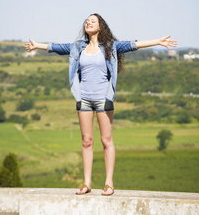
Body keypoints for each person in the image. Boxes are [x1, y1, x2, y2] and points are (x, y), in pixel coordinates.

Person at [25, 13, 177, 195]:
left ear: (100, 26)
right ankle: (87, 183)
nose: (88, 23)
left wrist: (158, 41)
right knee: (86, 141)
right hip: (84, 100)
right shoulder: (77, 47)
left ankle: (109, 183)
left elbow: (133, 44)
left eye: (92, 21)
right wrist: (36, 45)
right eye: (86, 21)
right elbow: (56, 47)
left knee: (106, 141)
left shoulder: (111, 47)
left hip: (103, 99)